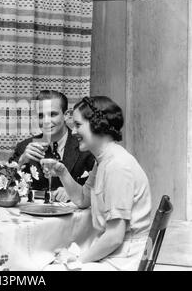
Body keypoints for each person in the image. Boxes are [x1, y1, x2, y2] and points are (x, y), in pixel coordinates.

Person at [42, 96, 152, 271]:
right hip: (118, 251)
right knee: (51, 260)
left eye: (78, 125)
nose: (74, 132)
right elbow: (83, 199)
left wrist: (78, 261)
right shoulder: (102, 161)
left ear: (97, 125)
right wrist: (62, 172)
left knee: (48, 270)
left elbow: (115, 237)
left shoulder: (117, 166)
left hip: (126, 257)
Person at [10, 90, 95, 201]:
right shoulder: (24, 147)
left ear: (66, 115)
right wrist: (21, 161)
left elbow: (99, 189)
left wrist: (75, 191)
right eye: (41, 116)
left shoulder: (86, 146)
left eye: (52, 114)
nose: (45, 121)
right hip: (33, 215)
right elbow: (4, 186)